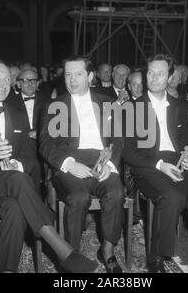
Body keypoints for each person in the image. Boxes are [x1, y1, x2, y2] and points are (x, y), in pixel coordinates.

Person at [0, 59, 97, 273]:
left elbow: (30, 157)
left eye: (7, 79)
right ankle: (63, 250)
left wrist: (18, 164)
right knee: (16, 179)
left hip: (10, 188)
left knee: (14, 207)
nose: (4, 83)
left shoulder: (17, 113)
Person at [123, 54, 188, 273]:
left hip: (178, 162)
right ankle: (157, 257)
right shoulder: (130, 108)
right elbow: (127, 152)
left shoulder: (181, 106)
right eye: (151, 72)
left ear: (170, 77)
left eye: (161, 73)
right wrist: (159, 165)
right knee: (172, 196)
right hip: (148, 166)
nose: (154, 78)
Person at [39, 56, 125, 273]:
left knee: (115, 191)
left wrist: (110, 165)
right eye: (68, 74)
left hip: (100, 162)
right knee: (79, 197)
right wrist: (69, 164)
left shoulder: (107, 102)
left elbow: (118, 139)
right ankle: (71, 256)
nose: (72, 79)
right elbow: (46, 145)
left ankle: (107, 250)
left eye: (78, 74)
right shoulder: (53, 105)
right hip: (69, 165)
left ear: (89, 76)